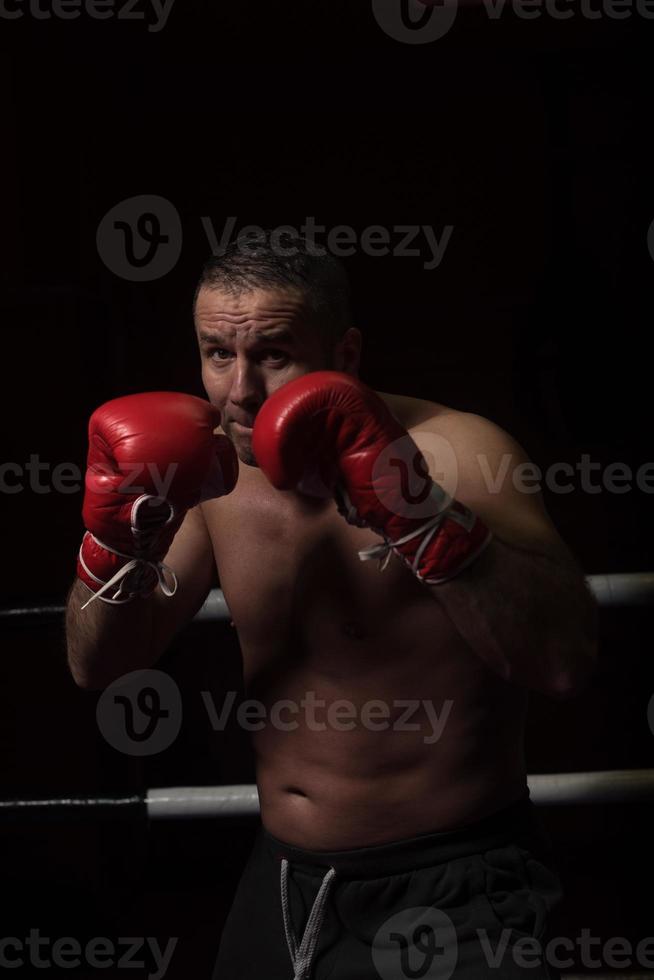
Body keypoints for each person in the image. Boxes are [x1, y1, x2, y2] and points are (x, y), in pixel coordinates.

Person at [66, 232, 598, 979]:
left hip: (457, 886)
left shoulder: (456, 453)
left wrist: (421, 517)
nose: (241, 390)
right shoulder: (205, 469)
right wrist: (115, 543)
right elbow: (98, 663)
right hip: (286, 881)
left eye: (273, 353)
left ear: (345, 354)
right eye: (218, 353)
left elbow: (565, 661)